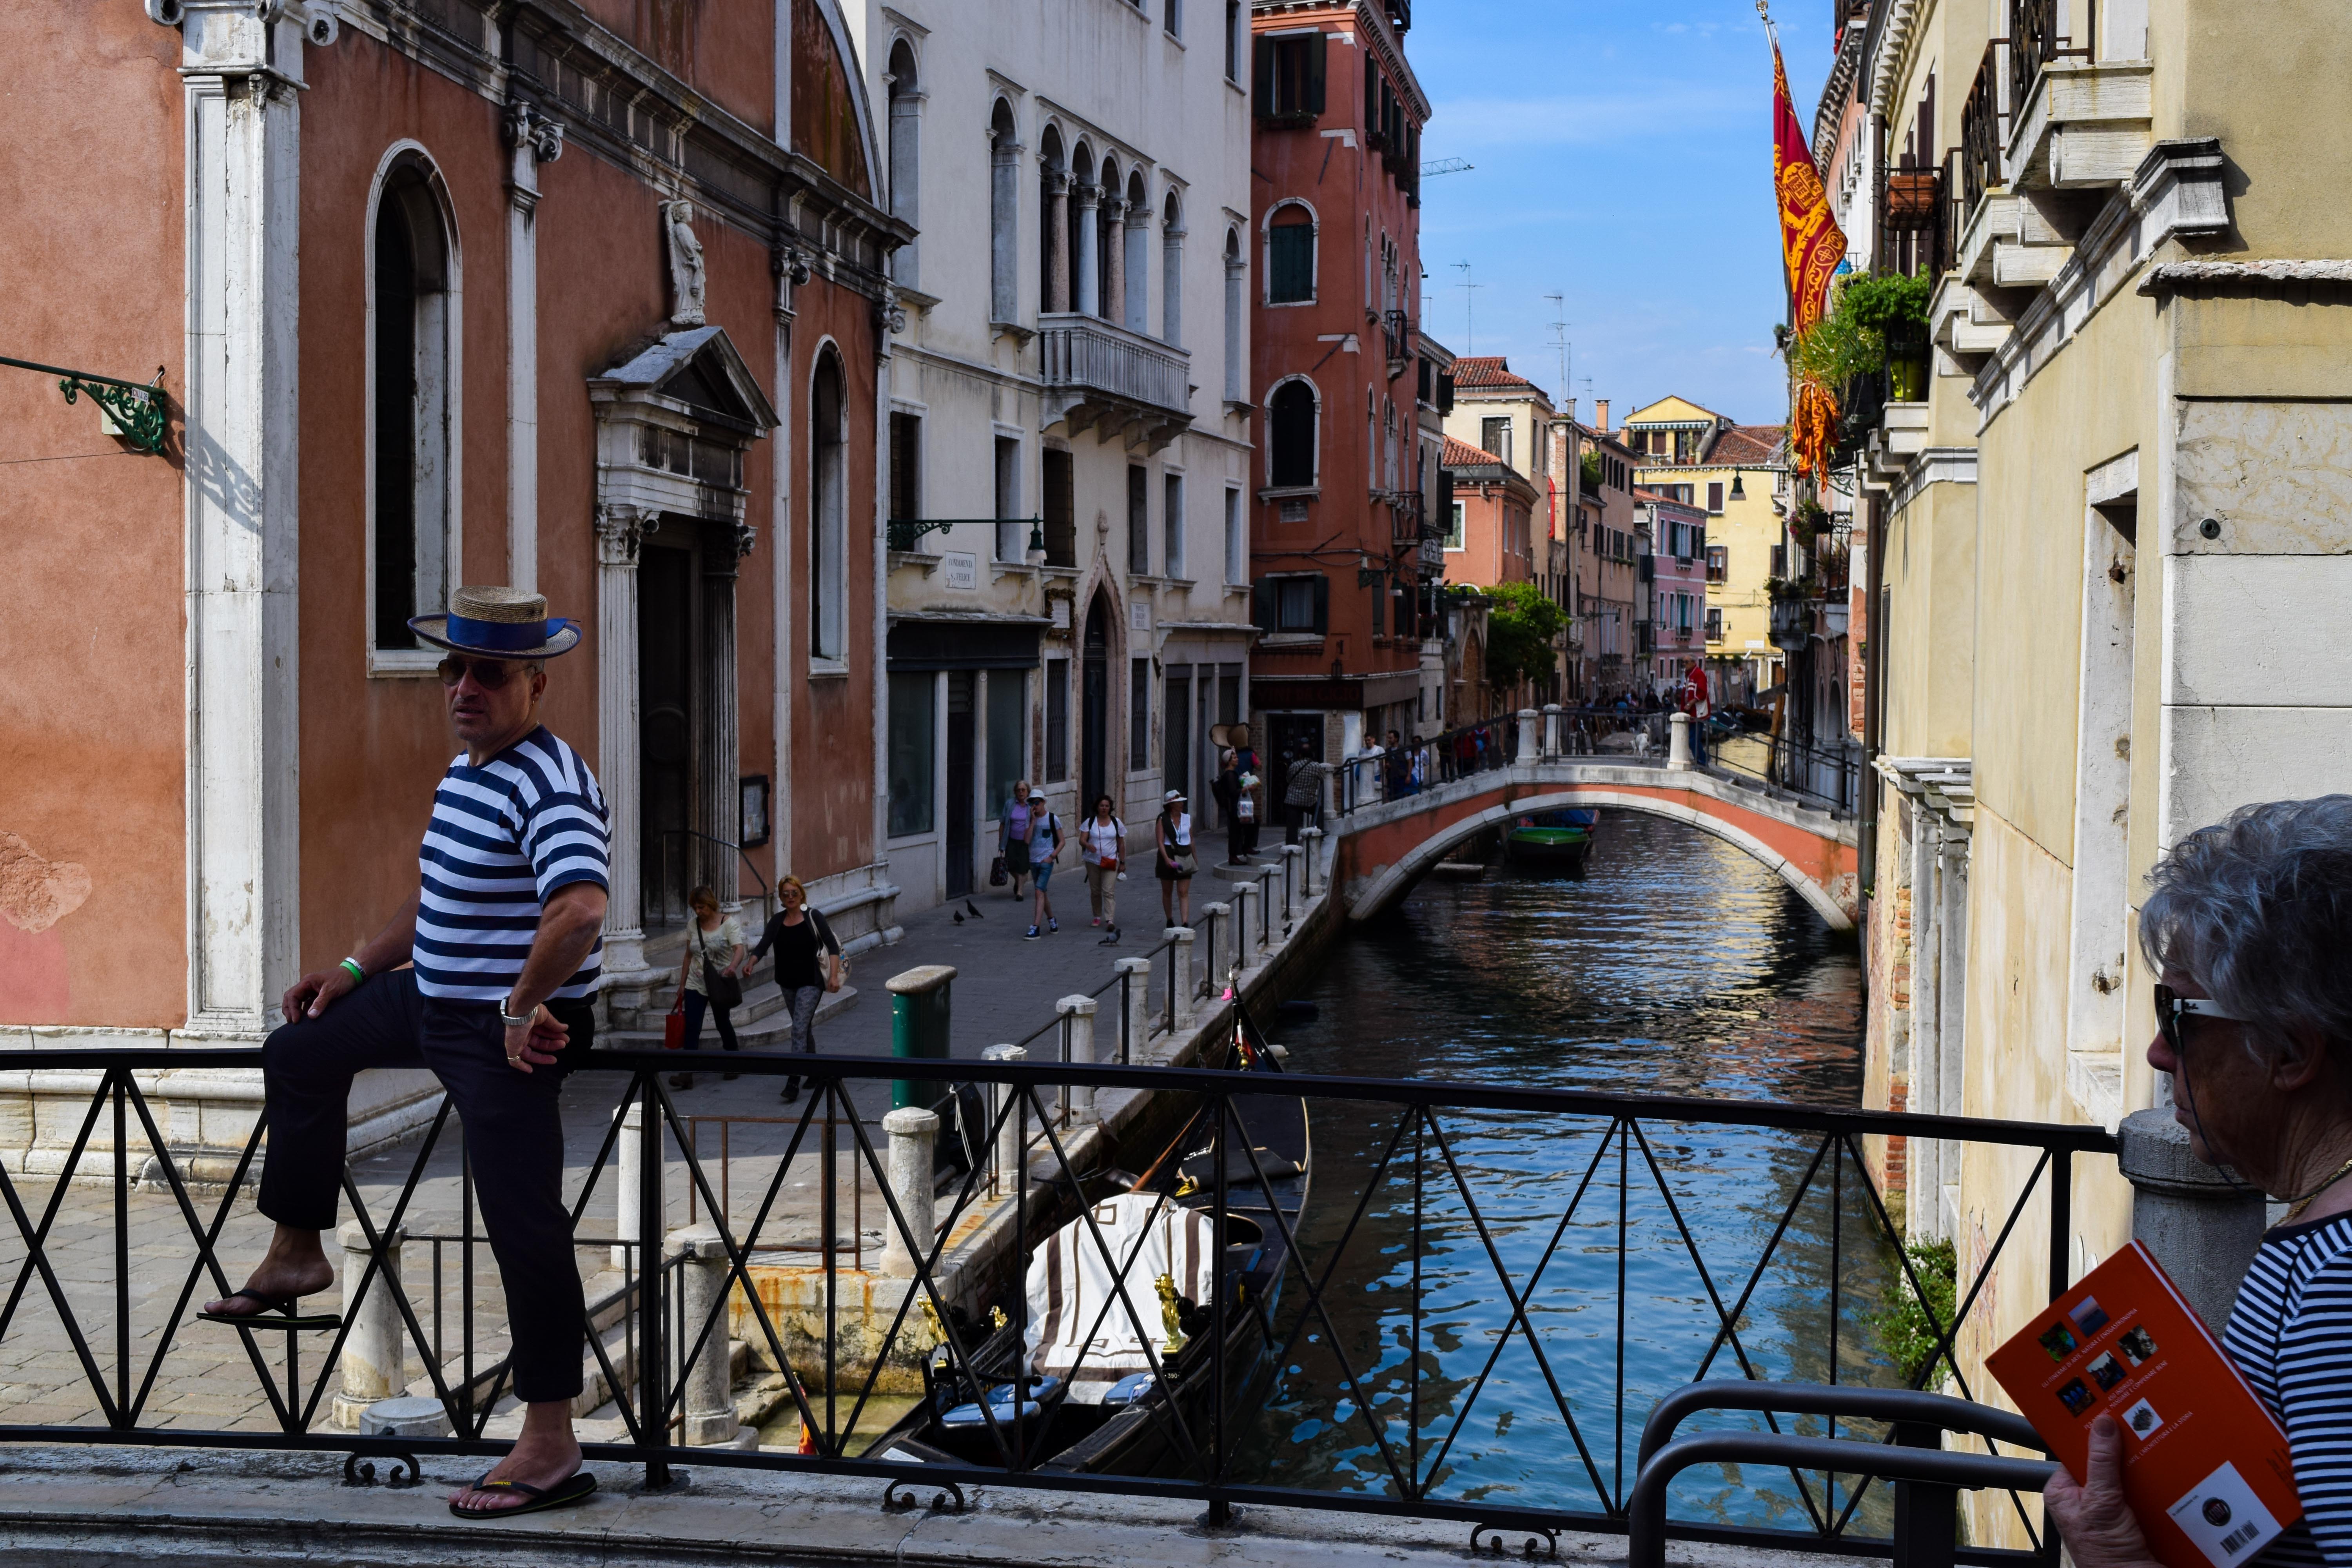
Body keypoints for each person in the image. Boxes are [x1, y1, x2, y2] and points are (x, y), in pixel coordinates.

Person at [197, 586, 604, 1520]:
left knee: (522, 1222)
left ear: (533, 684)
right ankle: (299, 1249)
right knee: (300, 1047)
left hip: (507, 1030)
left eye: (487, 672)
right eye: (452, 669)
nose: (463, 686)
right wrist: (351, 966)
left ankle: (549, 1442)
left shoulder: (550, 781)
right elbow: (434, 904)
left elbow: (580, 908)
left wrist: (523, 1001)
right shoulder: (466, 772)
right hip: (430, 998)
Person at [2044, 797, 2352, 1568]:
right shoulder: (2320, 1229)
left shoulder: (2336, 1284)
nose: (2155, 1050)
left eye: (2177, 1013)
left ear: (2288, 1050)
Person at [746, 876, 842, 1103]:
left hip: (811, 982)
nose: (790, 897)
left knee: (798, 1029)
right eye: (785, 894)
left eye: (794, 893)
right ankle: (815, 1070)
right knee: (804, 1026)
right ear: (780, 898)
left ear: (802, 894)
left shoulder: (813, 916)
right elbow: (763, 944)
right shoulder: (777, 921)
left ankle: (793, 1081)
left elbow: (833, 945)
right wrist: (751, 962)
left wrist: (835, 976)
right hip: (787, 983)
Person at [666, 885, 746, 1091]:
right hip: (696, 981)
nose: (699, 912)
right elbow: (688, 955)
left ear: (711, 905)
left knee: (722, 1023)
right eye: (696, 908)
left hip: (719, 982)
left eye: (702, 907)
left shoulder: (727, 924)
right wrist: (682, 984)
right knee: (692, 1026)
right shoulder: (693, 925)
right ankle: (687, 1073)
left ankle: (734, 1061)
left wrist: (732, 967)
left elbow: (739, 949)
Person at [1080, 794, 1127, 944]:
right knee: (1095, 891)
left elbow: (1121, 844)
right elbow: (1082, 839)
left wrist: (1123, 862)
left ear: (1110, 808)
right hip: (1093, 861)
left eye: (1107, 806)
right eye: (1102, 806)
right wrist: (1088, 845)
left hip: (1111, 861)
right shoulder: (1090, 822)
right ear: (1097, 807)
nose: (1104, 808)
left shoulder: (1116, 822)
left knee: (1108, 891)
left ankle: (1110, 920)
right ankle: (1097, 915)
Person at [1154, 789, 1197, 926]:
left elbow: (1191, 839)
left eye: (1182, 802)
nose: (1182, 804)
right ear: (1171, 805)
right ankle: (1170, 919)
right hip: (1168, 853)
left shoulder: (1187, 818)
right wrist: (1166, 859)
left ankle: (1185, 921)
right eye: (1178, 802)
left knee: (1183, 891)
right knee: (1167, 890)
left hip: (1184, 854)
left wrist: (1195, 858)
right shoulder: (1163, 819)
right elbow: (1160, 841)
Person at [1025, 799, 1065, 940]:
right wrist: (1033, 822)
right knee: (1042, 893)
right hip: (1033, 861)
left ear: (1043, 803)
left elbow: (1062, 841)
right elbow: (1027, 840)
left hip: (1046, 862)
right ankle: (1052, 921)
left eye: (1036, 803)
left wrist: (1052, 857)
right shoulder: (1030, 819)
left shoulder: (1053, 819)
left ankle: (1035, 928)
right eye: (1031, 804)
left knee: (1038, 891)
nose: (1034, 806)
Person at [1228, 726, 1264, 861]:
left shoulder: (1233, 754)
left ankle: (1240, 850)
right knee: (1248, 821)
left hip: (1238, 792)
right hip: (1244, 791)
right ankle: (1245, 848)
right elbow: (1259, 766)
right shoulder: (1250, 754)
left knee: (1240, 822)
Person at [1000, 780, 1036, 900]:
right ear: (1015, 792)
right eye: (1019, 790)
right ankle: (1018, 882)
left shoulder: (1031, 806)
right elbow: (1003, 823)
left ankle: (1020, 892)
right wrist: (1001, 843)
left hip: (1025, 842)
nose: (1021, 793)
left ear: (1028, 792)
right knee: (1010, 866)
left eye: (1023, 790)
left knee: (1023, 867)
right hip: (1011, 840)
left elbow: (1036, 822)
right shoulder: (1010, 804)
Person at [1282, 748, 1323, 845]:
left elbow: (1288, 779)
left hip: (1292, 800)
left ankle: (1291, 848)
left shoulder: (1294, 765)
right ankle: (1316, 834)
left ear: (1300, 756)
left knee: (1292, 826)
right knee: (1319, 812)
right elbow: (1323, 778)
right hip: (1308, 801)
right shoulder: (1316, 766)